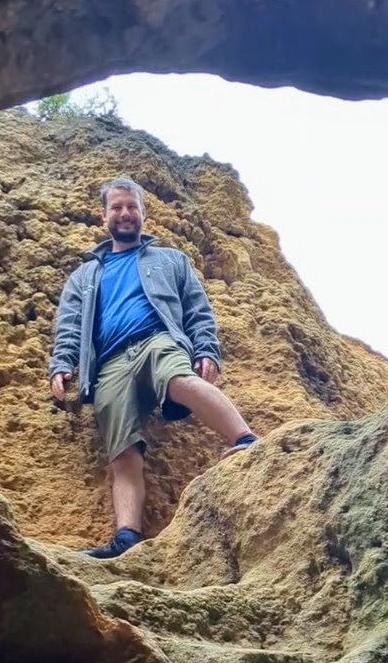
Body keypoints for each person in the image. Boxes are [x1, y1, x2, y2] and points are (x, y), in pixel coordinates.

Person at [48, 177, 257, 558]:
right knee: (122, 449)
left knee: (179, 378)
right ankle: (126, 537)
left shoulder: (171, 260)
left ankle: (245, 440)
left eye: (132, 207)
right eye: (117, 207)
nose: (125, 214)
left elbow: (197, 309)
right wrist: (62, 363)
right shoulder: (84, 276)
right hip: (108, 363)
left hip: (156, 339)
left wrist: (207, 349)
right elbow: (69, 324)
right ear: (104, 215)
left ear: (143, 213)